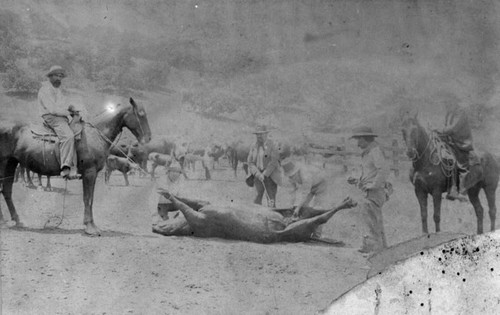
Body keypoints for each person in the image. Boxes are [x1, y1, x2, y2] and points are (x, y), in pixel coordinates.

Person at [347, 126, 390, 256]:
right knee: (369, 219)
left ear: (364, 139)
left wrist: (373, 185)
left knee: (373, 221)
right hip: (368, 191)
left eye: (358, 140)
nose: (357, 143)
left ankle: (376, 251)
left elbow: (383, 170)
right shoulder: (369, 152)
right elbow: (369, 172)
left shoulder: (375, 151)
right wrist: (355, 179)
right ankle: (370, 246)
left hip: (373, 192)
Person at [279, 146, 330, 238]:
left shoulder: (305, 175)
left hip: (321, 183)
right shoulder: (291, 177)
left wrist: (297, 208)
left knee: (317, 209)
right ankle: (305, 229)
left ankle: (317, 234)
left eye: (292, 175)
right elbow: (292, 192)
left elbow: (304, 193)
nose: (291, 177)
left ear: (296, 172)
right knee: (304, 208)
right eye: (290, 176)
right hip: (311, 185)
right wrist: (291, 206)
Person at [38, 65, 78, 180]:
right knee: (68, 136)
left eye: (61, 76)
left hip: (60, 116)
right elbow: (52, 109)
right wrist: (68, 112)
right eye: (56, 75)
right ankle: (65, 167)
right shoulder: (45, 90)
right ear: (50, 76)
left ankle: (77, 164)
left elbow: (62, 105)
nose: (59, 78)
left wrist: (71, 108)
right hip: (51, 117)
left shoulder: (58, 90)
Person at [439, 100, 473, 200]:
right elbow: (446, 126)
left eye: (448, 103)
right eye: (445, 104)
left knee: (461, 165)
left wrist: (440, 130)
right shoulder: (450, 113)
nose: (446, 105)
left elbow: (454, 128)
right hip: (451, 141)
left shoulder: (461, 113)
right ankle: (450, 189)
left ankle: (462, 193)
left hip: (461, 143)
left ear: (453, 102)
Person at [247, 126, 281, 207]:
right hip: (258, 175)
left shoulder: (273, 145)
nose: (259, 136)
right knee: (256, 198)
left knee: (271, 199)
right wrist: (258, 174)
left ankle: (272, 216)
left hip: (270, 176)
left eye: (261, 134)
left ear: (266, 134)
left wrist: (264, 174)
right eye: (257, 134)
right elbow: (250, 162)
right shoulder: (253, 146)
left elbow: (274, 161)